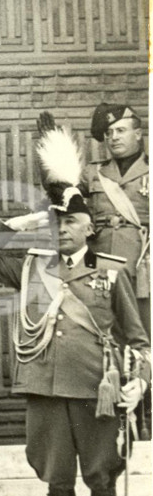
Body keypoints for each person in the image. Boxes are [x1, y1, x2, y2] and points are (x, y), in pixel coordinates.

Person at [0, 125, 149, 496]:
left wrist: (139, 382)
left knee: (102, 475)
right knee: (57, 477)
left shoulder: (109, 273)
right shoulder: (29, 266)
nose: (63, 229)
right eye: (57, 222)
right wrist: (19, 223)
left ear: (90, 226)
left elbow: (139, 339)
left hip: (96, 389)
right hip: (44, 385)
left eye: (71, 222)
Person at [84, 103, 150, 439]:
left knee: (144, 344)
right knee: (110, 346)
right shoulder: (92, 174)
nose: (114, 137)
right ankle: (119, 428)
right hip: (101, 276)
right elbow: (66, 207)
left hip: (143, 276)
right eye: (108, 133)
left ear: (139, 133)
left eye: (121, 130)